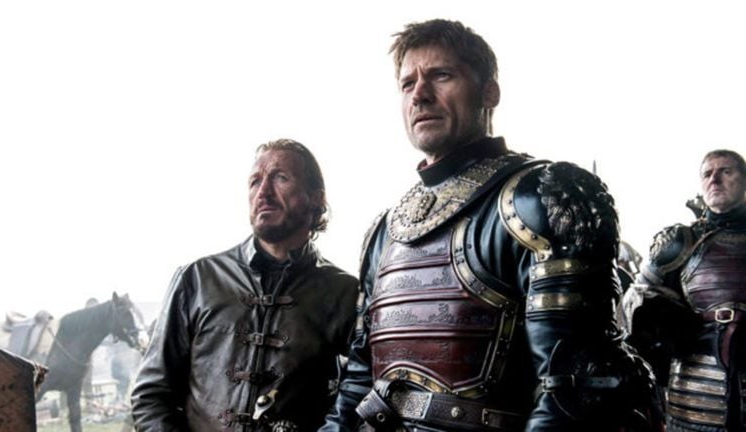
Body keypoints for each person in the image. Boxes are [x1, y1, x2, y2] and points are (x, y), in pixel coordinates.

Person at [321, 19, 655, 431]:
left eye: (441, 75)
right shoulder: (384, 231)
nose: (420, 94)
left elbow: (573, 393)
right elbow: (357, 384)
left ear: (489, 92)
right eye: (407, 84)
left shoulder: (540, 199)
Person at [131, 139, 359, 431]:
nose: (263, 192)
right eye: (254, 181)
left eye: (280, 177)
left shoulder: (344, 292)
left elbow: (360, 390)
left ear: (316, 198)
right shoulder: (197, 279)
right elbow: (151, 394)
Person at [624, 149, 746, 431]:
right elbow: (633, 300)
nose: (714, 179)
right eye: (707, 174)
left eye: (725, 171)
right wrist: (662, 321)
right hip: (695, 385)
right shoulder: (679, 241)